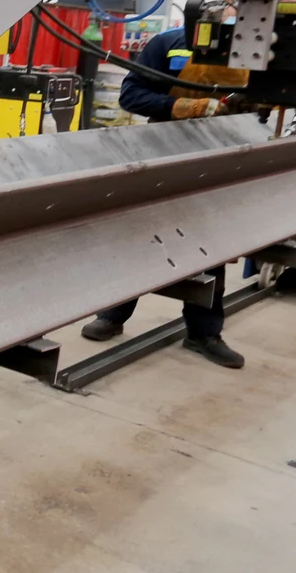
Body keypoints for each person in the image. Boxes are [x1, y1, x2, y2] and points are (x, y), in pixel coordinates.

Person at [79, 23, 247, 368]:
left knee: (211, 242)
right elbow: (131, 96)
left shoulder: (258, 54)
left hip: (222, 155)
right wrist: (190, 107)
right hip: (163, 151)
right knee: (141, 234)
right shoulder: (170, 44)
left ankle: (204, 332)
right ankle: (114, 313)